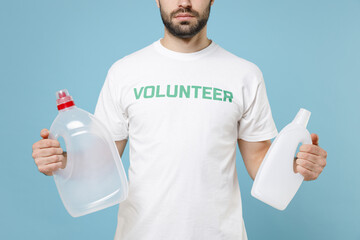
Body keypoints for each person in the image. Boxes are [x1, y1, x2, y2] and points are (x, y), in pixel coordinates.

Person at [31, 0, 328, 239]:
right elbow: (99, 164)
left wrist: (298, 167)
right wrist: (59, 161)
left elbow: (260, 160)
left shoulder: (245, 74)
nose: (184, 3)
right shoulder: (124, 72)